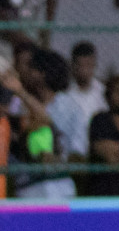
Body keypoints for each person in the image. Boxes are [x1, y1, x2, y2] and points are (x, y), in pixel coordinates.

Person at [3, 52, 75, 199]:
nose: (24, 72)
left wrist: (19, 90)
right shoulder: (16, 110)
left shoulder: (63, 108)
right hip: (29, 187)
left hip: (59, 185)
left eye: (31, 68)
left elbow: (44, 118)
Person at [62, 42, 107, 124]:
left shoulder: (103, 92)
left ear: (94, 65)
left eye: (88, 65)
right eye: (80, 65)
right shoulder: (64, 92)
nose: (84, 70)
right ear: (72, 65)